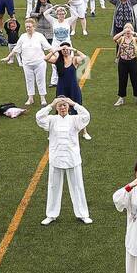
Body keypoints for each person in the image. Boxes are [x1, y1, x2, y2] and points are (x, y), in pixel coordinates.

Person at [36, 96, 92, 225]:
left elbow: (86, 116)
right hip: (56, 158)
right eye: (60, 105)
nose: (62, 108)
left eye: (65, 105)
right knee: (53, 187)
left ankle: (83, 214)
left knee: (78, 186)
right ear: (56, 108)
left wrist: (74, 103)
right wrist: (50, 105)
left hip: (73, 159)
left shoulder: (75, 119)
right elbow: (39, 117)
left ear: (68, 107)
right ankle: (51, 215)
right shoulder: (51, 120)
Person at [4, 17, 53, 106]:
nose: (28, 28)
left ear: (34, 27)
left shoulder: (39, 36)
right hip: (26, 63)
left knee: (40, 80)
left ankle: (43, 98)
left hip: (39, 63)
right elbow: (16, 49)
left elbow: (49, 47)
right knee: (29, 80)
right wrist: (8, 57)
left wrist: (57, 54)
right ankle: (30, 98)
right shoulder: (23, 37)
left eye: (29, 27)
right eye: (26, 27)